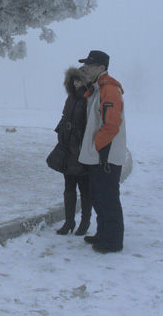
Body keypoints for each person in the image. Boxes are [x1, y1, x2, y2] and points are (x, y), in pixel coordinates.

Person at [77, 50, 127, 254]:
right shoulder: (97, 89)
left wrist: (96, 147)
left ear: (102, 68)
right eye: (85, 64)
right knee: (98, 196)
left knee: (108, 198)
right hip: (98, 156)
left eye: (91, 64)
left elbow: (112, 124)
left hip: (105, 157)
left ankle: (113, 241)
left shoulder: (109, 89)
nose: (86, 68)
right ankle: (103, 233)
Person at [46, 66, 92, 235]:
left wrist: (82, 143)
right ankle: (69, 222)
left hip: (80, 149)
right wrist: (61, 132)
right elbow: (65, 117)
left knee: (84, 188)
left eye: (79, 79)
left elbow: (90, 124)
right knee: (69, 187)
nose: (76, 82)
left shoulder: (89, 98)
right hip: (67, 147)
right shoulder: (71, 98)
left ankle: (85, 222)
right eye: (74, 79)